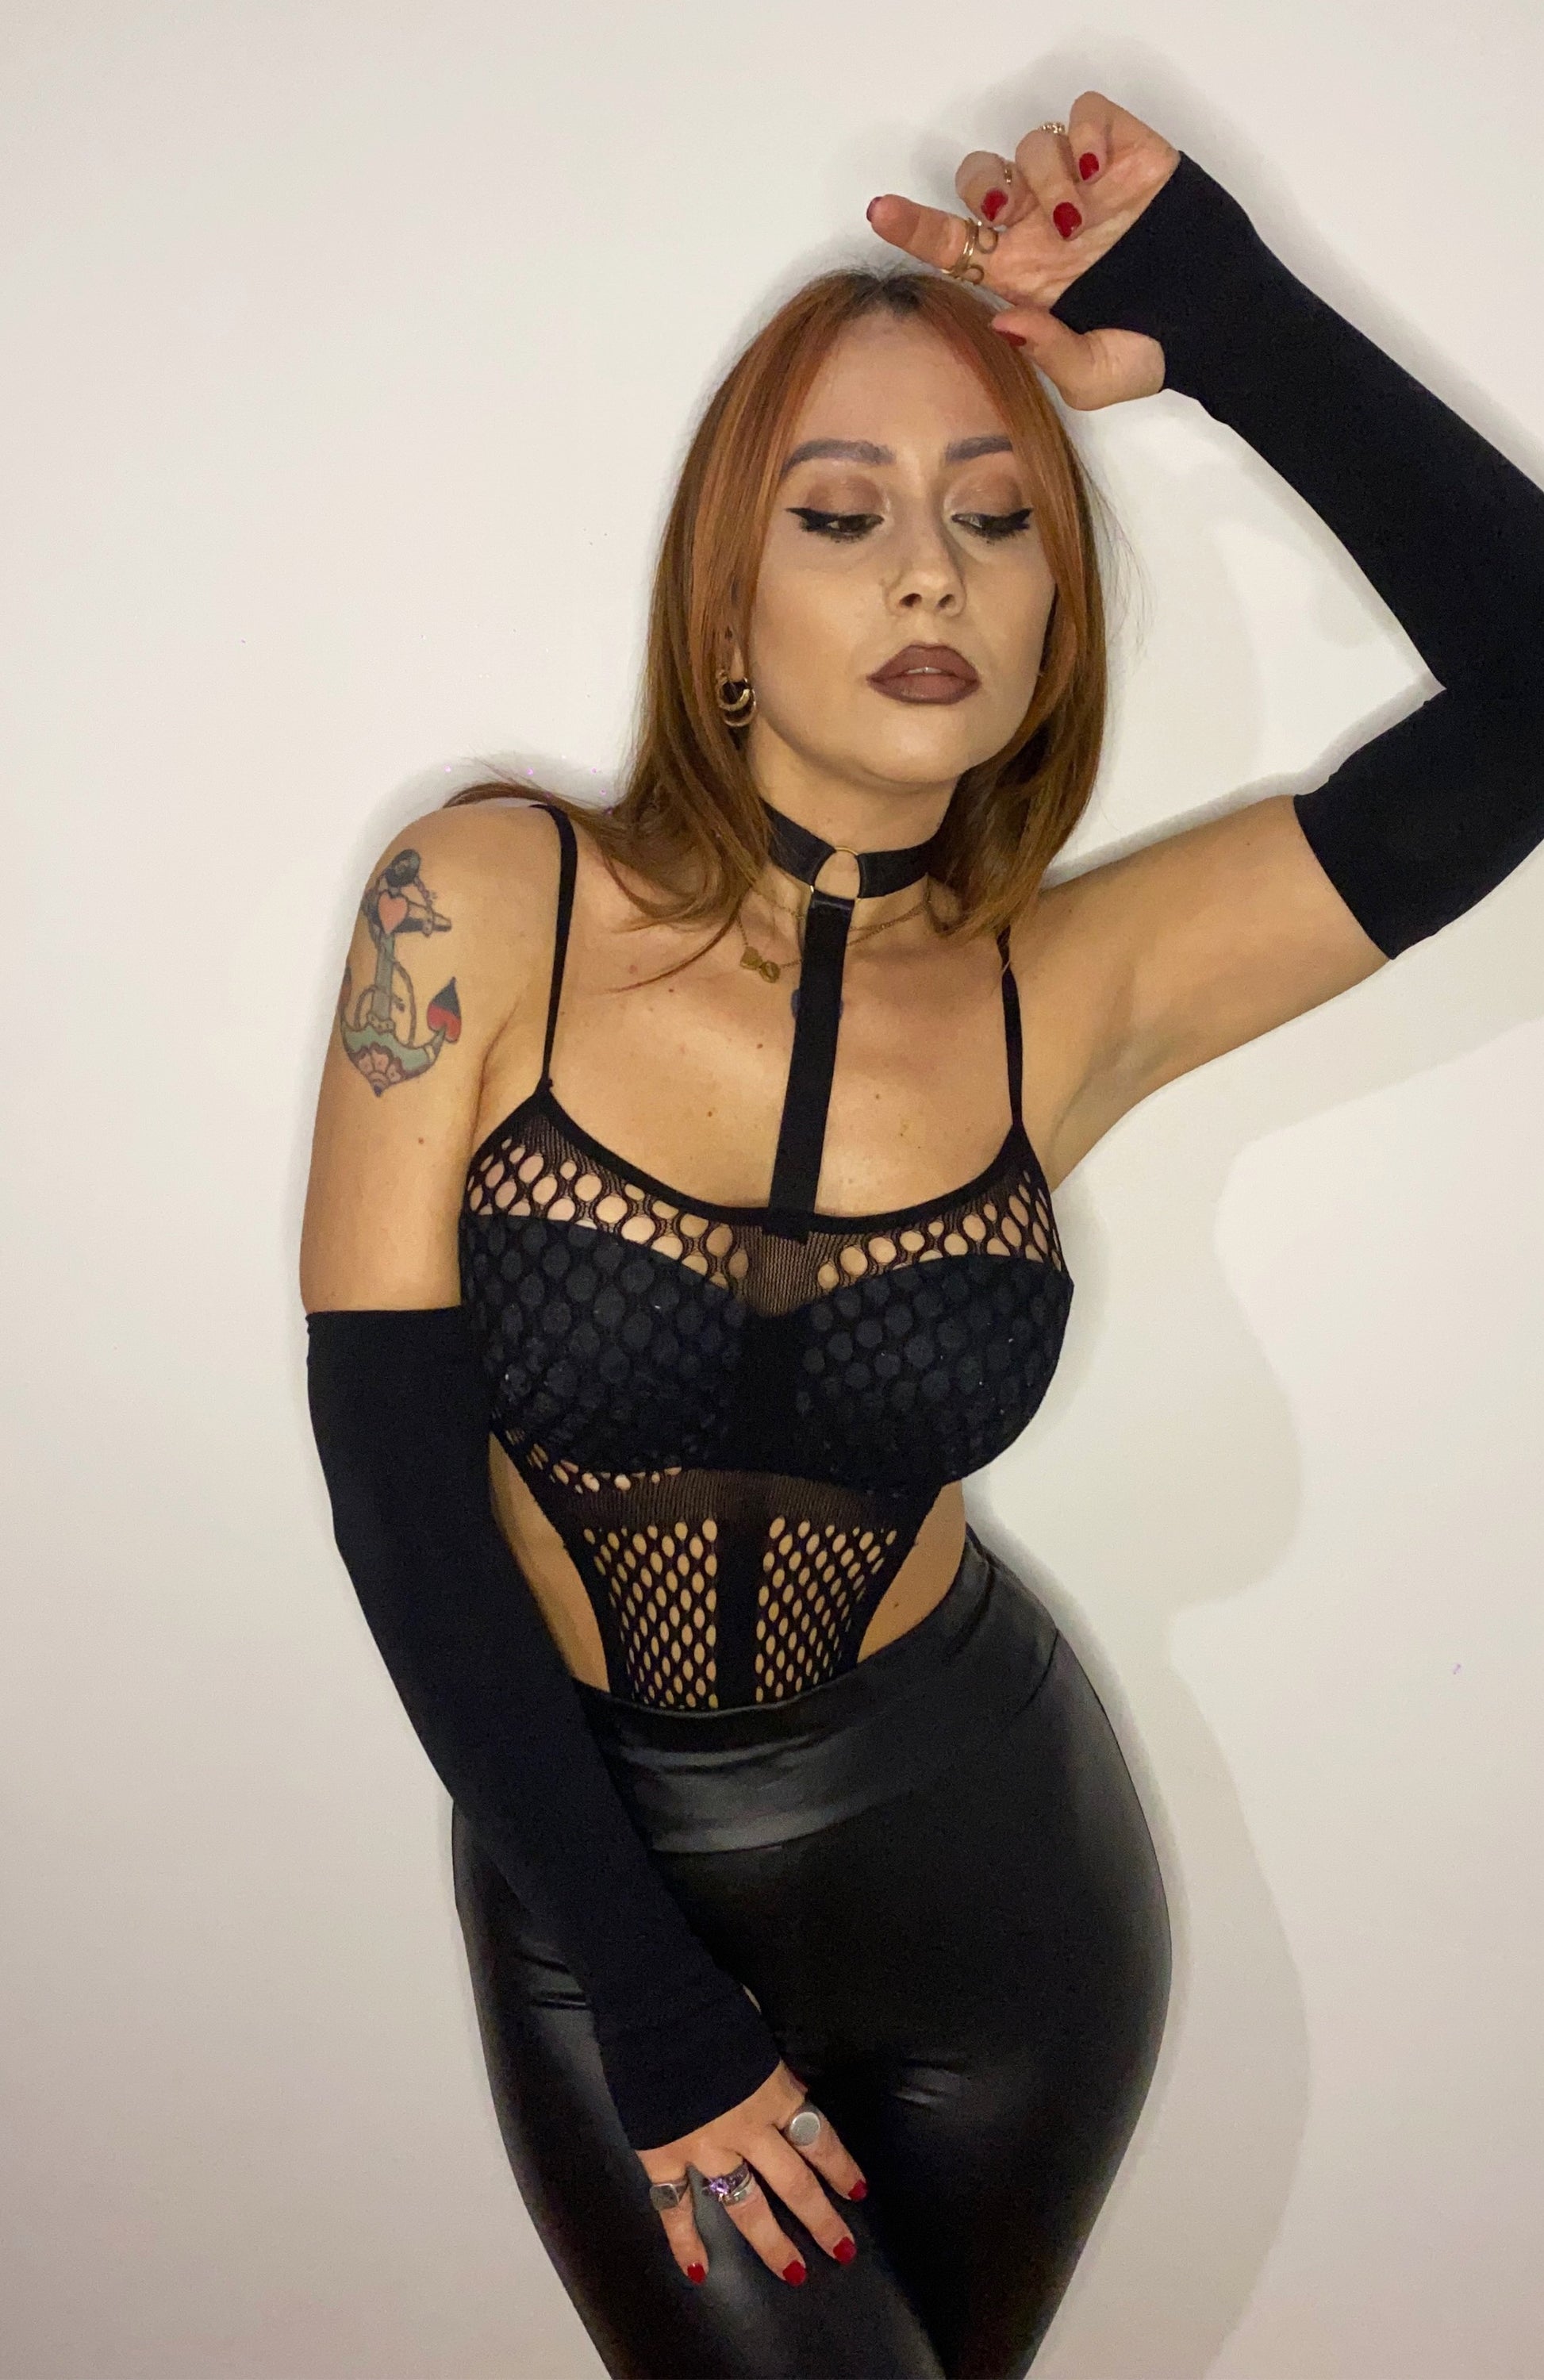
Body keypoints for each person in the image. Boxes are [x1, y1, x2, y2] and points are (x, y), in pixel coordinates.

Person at [300, 87, 1544, 2380]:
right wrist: (652, 2006)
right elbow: (392, 1487)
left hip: (995, 1880)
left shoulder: (1077, 982)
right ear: (726, 602)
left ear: (1057, 613)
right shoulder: (481, 905)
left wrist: (1226, 319)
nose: (930, 576)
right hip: (597, 1896)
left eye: (995, 519)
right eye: (843, 511)